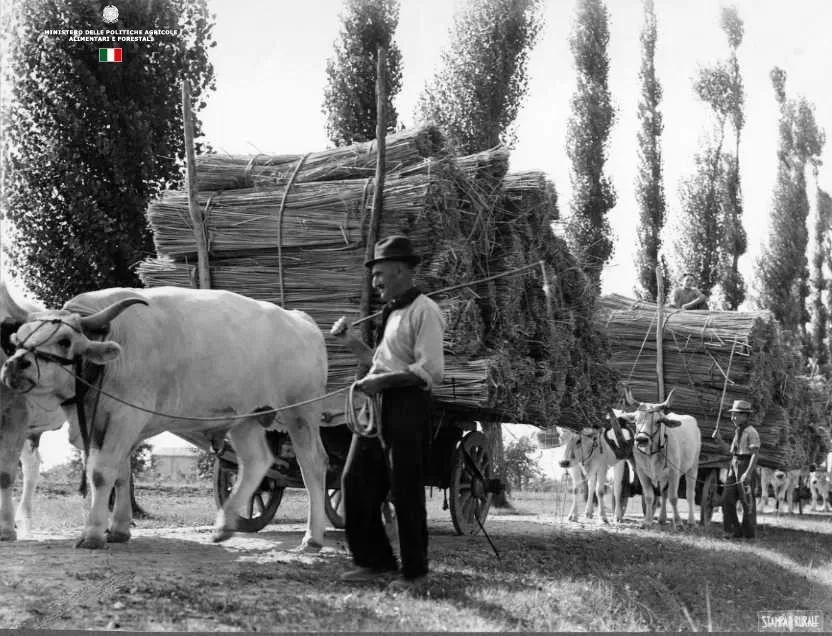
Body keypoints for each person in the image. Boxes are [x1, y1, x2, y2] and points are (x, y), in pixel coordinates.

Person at [330, 235, 445, 591]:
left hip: (408, 408)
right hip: (378, 409)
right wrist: (351, 342)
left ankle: (415, 574)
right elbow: (378, 363)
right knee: (354, 481)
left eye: (379, 273)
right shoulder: (392, 313)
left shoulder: (425, 311)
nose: (375, 281)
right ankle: (374, 561)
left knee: (405, 491)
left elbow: (430, 370)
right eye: (373, 275)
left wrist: (381, 383)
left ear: (401, 271)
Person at [713, 399, 760, 539]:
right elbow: (731, 451)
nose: (732, 418)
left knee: (747, 502)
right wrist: (720, 441)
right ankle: (732, 531)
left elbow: (755, 454)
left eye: (736, 415)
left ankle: (749, 534)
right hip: (734, 465)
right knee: (727, 499)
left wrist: (747, 473)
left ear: (745, 415)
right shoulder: (738, 431)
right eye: (732, 415)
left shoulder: (751, 432)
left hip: (745, 465)